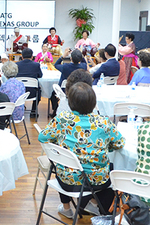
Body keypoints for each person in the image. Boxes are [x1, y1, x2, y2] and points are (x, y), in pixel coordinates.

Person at [39, 83, 124, 218]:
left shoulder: (62, 119)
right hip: (97, 180)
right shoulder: (104, 122)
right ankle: (93, 202)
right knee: (112, 168)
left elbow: (42, 137)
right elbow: (119, 143)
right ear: (93, 103)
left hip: (67, 179)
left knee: (63, 158)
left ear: (70, 102)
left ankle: (67, 208)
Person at [51, 49, 88, 117]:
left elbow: (56, 65)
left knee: (53, 94)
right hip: (78, 90)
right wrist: (80, 54)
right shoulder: (83, 66)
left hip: (65, 91)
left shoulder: (65, 66)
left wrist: (63, 56)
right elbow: (85, 63)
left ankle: (55, 111)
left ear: (71, 58)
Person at [16, 48, 43, 117]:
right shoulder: (36, 65)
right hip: (32, 93)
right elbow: (40, 75)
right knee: (38, 90)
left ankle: (19, 110)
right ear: (32, 56)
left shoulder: (17, 64)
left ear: (21, 57)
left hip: (19, 92)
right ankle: (33, 111)